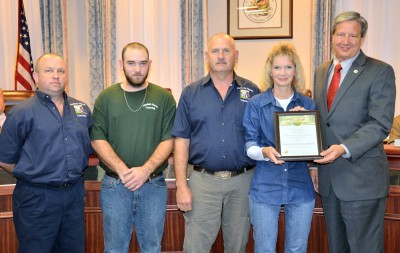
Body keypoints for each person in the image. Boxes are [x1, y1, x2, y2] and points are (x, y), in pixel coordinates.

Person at [313, 11, 396, 253]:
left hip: (362, 181)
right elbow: (321, 121)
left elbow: (379, 124)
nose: (345, 41)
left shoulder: (379, 71)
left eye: (353, 35)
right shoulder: (321, 72)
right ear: (332, 37)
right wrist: (313, 165)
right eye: (341, 34)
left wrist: (343, 148)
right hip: (329, 181)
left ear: (361, 39)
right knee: (337, 248)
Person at [172, 33, 260, 253]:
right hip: (203, 182)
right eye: (215, 51)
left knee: (238, 245)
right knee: (195, 246)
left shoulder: (252, 92)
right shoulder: (191, 93)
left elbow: (265, 133)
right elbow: (181, 141)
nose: (221, 56)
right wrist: (181, 186)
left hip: (243, 181)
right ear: (207, 56)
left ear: (236, 55)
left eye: (226, 51)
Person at [0, 53, 92, 253]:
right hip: (37, 198)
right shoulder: (21, 112)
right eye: (48, 70)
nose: (55, 75)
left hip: (74, 196)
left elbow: (88, 148)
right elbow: (5, 159)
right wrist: (34, 172)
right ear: (35, 76)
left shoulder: (81, 109)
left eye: (60, 71)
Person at [90, 42, 176, 253]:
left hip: (153, 185)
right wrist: (123, 170)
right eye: (131, 63)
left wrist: (145, 170)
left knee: (152, 247)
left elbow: (169, 139)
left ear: (150, 65)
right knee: (115, 248)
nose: (137, 69)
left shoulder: (164, 98)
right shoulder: (106, 97)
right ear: (121, 64)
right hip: (115, 185)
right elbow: (97, 138)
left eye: (142, 63)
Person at [243, 42, 316, 253]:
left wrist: (304, 122)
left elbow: (315, 147)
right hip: (265, 186)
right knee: (264, 249)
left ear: (295, 71)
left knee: (297, 249)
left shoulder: (308, 104)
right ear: (270, 71)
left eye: (288, 67)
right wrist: (264, 152)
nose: (282, 73)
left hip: (300, 186)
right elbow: (249, 145)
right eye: (277, 67)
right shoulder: (256, 104)